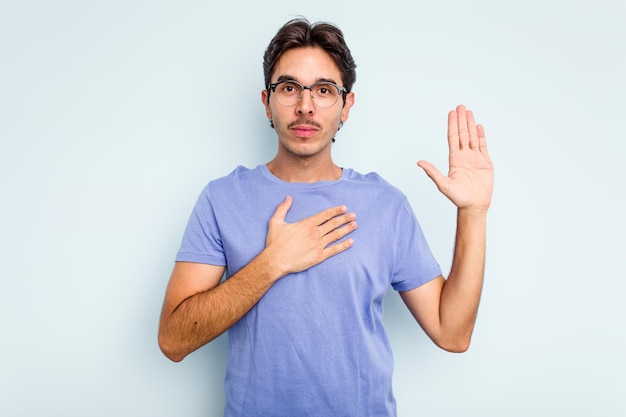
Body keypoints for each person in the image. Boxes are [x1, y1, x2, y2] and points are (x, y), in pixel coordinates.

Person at [158, 17, 493, 417]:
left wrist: (473, 212)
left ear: (346, 106)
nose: (305, 106)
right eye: (289, 88)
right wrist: (272, 263)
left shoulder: (386, 205)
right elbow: (174, 341)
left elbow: (452, 332)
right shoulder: (221, 199)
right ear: (266, 102)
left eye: (323, 90)